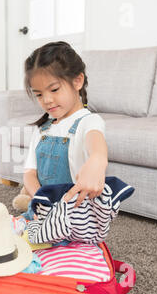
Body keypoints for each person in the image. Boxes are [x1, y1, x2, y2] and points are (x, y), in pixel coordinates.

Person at [19, 41, 108, 221]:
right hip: (42, 211)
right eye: (39, 94)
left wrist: (97, 161)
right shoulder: (43, 129)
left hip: (73, 217)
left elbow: (97, 147)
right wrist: (41, 200)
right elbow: (29, 173)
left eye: (54, 89)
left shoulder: (88, 121)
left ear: (77, 81)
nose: (47, 100)